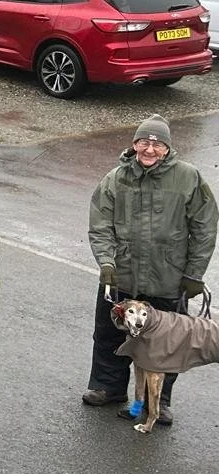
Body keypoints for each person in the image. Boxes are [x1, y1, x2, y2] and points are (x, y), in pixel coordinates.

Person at [83, 114, 218, 424]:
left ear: (168, 149)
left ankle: (160, 401)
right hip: (123, 276)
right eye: (144, 142)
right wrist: (106, 262)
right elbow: (100, 225)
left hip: (168, 279)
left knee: (167, 346)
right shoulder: (115, 178)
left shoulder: (189, 178)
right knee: (109, 334)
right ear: (134, 145)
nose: (150, 148)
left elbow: (205, 227)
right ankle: (107, 387)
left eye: (157, 143)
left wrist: (194, 274)